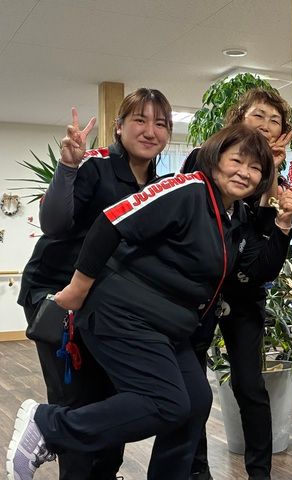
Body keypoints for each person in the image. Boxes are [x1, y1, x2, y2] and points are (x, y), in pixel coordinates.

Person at [6, 124, 292, 480]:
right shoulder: (187, 189)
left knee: (195, 402)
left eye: (255, 168)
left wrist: (281, 224)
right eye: (237, 160)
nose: (244, 172)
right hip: (123, 313)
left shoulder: (233, 216)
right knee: (167, 402)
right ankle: (48, 425)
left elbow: (254, 270)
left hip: (169, 327)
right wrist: (78, 288)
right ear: (215, 158)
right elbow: (111, 221)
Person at [16, 87, 173, 480]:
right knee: (75, 401)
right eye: (140, 120)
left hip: (108, 306)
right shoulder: (94, 164)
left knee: (113, 401)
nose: (150, 131)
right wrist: (67, 168)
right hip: (58, 296)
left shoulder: (159, 184)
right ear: (118, 126)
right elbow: (54, 224)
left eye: (160, 123)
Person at [184, 88, 292, 480]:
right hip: (199, 292)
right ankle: (197, 472)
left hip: (243, 293)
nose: (266, 125)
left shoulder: (271, 177)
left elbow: (260, 251)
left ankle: (260, 473)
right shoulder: (205, 157)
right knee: (193, 388)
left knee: (250, 386)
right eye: (258, 116)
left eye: (274, 120)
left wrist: (271, 177)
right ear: (238, 118)